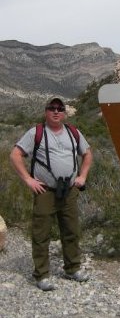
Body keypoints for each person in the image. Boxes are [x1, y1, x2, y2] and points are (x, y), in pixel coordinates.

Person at [10, 97, 93, 291]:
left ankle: (72, 268)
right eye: (52, 108)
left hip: (70, 190)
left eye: (59, 108)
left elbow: (87, 154)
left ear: (64, 113)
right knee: (41, 233)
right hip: (45, 191)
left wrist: (83, 176)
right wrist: (28, 179)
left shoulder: (73, 133)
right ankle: (42, 275)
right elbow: (15, 155)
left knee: (71, 230)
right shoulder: (35, 133)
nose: (56, 111)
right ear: (46, 112)